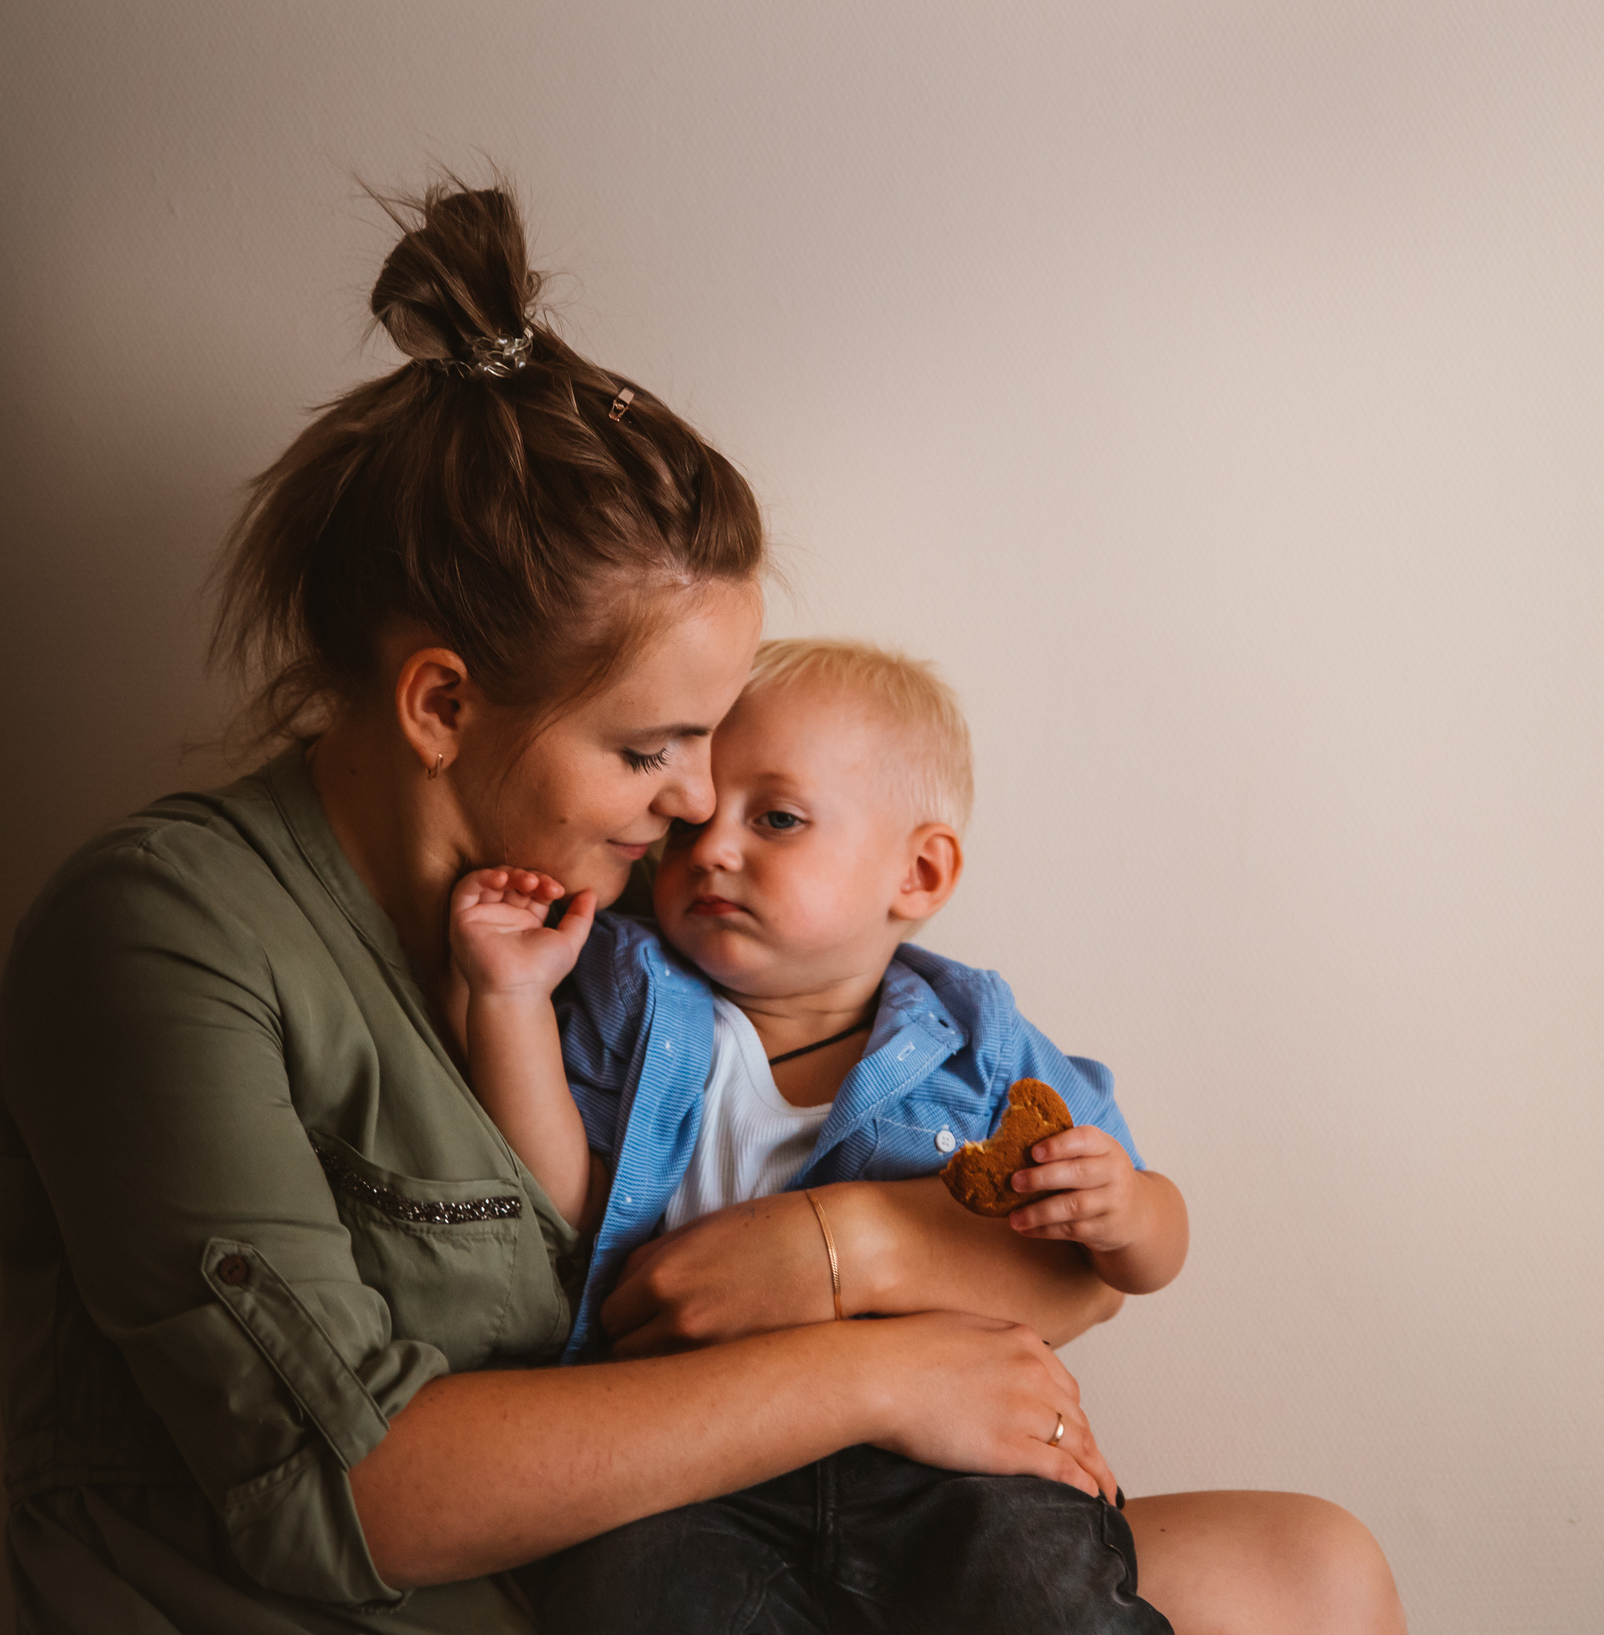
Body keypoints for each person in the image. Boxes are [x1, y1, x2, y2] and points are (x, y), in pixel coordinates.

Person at [0, 178, 1405, 1634]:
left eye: (725, 761)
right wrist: (877, 1368)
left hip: (772, 1542)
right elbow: (349, 1490)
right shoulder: (163, 938)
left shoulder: (643, 930)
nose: (693, 811)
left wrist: (839, 1251)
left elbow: (1071, 1278)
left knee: (1314, 1571)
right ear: (442, 703)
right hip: (483, 1596)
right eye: (649, 749)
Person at [445, 639, 1186, 1631]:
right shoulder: (630, 999)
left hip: (943, 1463)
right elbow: (559, 1199)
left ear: (918, 873)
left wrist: (1125, 1208)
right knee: (623, 1598)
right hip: (688, 1462)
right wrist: (511, 1000)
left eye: (777, 819)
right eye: (693, 827)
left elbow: (1143, 1255)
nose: (710, 848)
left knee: (1043, 1582)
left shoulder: (980, 1046)